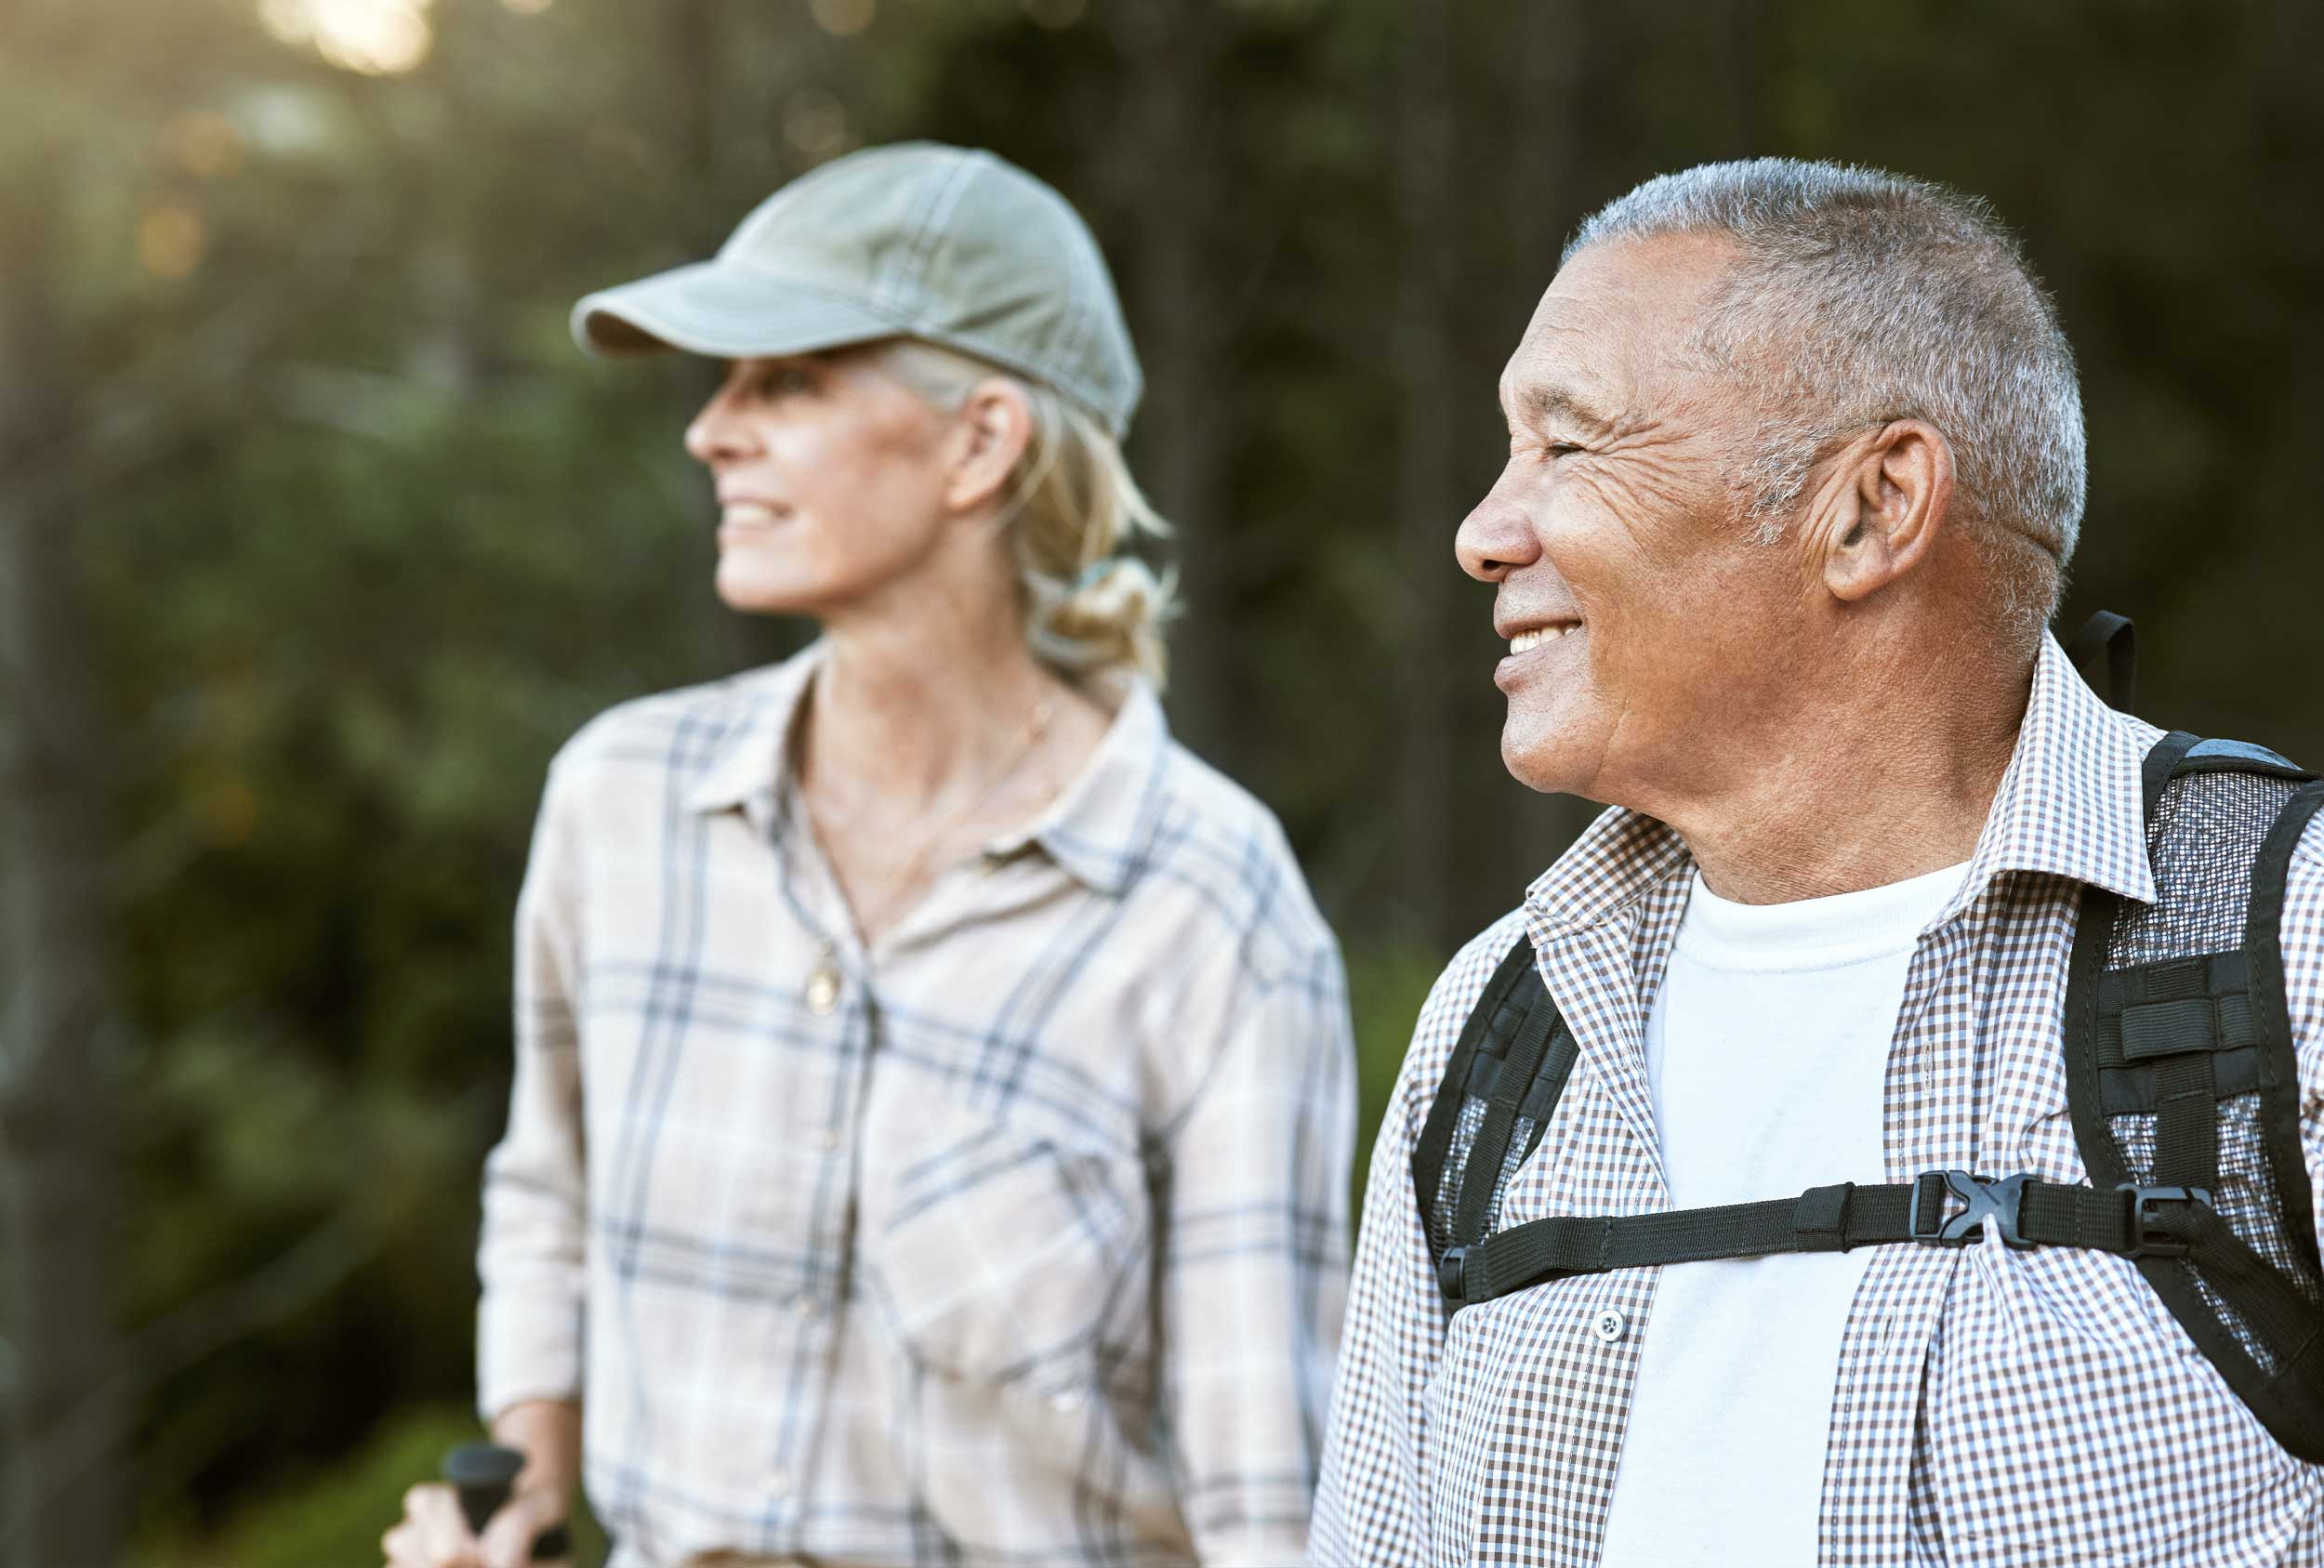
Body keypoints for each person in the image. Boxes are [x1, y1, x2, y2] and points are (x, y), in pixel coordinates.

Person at [1312, 158, 2324, 1565]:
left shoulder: (2293, 943)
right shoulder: (1499, 1024)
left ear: (1871, 509)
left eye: (1570, 444)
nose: (1484, 531)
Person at [383, 141, 1354, 1568]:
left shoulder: (1209, 909)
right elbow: (548, 1195)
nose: (711, 433)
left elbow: (1265, 1500)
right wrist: (520, 1491)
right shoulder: (622, 803)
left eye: (784, 381)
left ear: (980, 441)